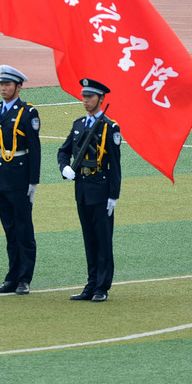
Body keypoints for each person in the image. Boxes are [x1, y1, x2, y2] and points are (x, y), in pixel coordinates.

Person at [56, 78, 122, 303]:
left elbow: (115, 163)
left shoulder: (109, 127)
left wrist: (114, 195)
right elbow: (63, 151)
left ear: (101, 99)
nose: (85, 100)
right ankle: (91, 283)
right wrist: (64, 167)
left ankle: (102, 286)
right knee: (89, 240)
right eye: (84, 96)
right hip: (82, 190)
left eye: (90, 97)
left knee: (103, 239)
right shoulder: (78, 125)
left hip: (101, 190)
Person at [0, 65, 40, 296]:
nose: (3, 88)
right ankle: (12, 277)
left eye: (7, 84)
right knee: (9, 230)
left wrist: (33, 181)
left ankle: (24, 278)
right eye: (1, 84)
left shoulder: (28, 112)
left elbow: (34, 149)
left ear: (18, 86)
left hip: (20, 175)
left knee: (23, 229)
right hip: (1, 175)